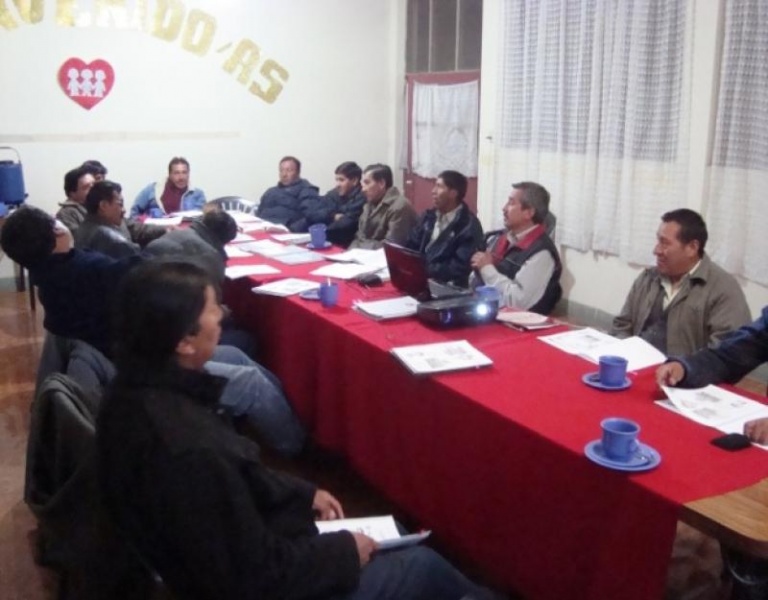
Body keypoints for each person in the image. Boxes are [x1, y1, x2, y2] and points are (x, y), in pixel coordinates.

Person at [97, 259, 500, 600]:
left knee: (396, 537)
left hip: (243, 547)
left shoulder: (134, 392)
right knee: (422, 565)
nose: (223, 315)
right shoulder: (187, 448)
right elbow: (253, 577)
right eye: (213, 309)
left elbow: (238, 479)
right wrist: (345, 552)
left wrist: (302, 492)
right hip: (258, 580)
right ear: (184, 341)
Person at [1, 206, 306, 455]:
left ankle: (281, 425)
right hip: (142, 370)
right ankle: (297, 447)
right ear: (56, 231)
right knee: (251, 381)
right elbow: (144, 273)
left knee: (237, 355)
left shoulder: (49, 276)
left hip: (124, 356)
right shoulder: (85, 272)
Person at [611, 209, 750, 356]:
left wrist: (684, 367)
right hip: (634, 365)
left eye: (665, 243)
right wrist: (624, 356)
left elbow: (728, 353)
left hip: (685, 370)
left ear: (692, 248)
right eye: (658, 241)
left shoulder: (723, 289)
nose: (656, 250)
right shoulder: (648, 278)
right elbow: (622, 325)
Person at [470, 181, 561, 314]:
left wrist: (486, 269)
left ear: (529, 213)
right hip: (486, 310)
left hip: (518, 322)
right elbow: (475, 278)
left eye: (511, 203)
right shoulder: (499, 238)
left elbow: (517, 302)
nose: (504, 208)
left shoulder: (542, 252)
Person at [405, 170, 484, 288]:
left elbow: (458, 268)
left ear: (453, 193)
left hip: (447, 286)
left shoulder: (468, 226)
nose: (433, 191)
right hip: (419, 278)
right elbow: (411, 244)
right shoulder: (428, 216)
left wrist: (423, 269)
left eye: (439, 187)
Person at [349, 163, 417, 249]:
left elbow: (392, 247)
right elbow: (358, 238)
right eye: (363, 184)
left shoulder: (400, 206)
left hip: (388, 257)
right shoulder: (369, 204)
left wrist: (362, 246)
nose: (363, 189)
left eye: (367, 183)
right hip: (366, 254)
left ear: (381, 183)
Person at [304, 161, 366, 247]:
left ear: (354, 181)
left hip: (346, 243)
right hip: (328, 239)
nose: (337, 184)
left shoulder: (362, 197)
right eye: (336, 180)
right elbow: (313, 214)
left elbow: (347, 223)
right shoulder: (333, 194)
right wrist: (332, 216)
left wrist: (322, 233)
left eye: (341, 180)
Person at [256, 155, 320, 232]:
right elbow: (259, 213)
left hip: (287, 232)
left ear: (298, 172)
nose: (284, 174)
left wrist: (291, 230)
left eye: (289, 170)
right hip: (262, 229)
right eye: (281, 170)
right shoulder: (270, 192)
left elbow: (311, 217)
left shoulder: (307, 190)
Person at [130, 156, 206, 217]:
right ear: (169, 174)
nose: (181, 177)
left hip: (185, 231)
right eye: (176, 173)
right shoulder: (152, 190)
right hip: (156, 230)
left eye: (184, 172)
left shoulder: (198, 195)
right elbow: (134, 214)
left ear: (189, 174)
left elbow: (201, 221)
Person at [55, 166, 95, 234]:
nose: (94, 189)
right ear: (72, 193)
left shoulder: (94, 206)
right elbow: (80, 238)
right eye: (86, 187)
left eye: (94, 184)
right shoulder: (67, 214)